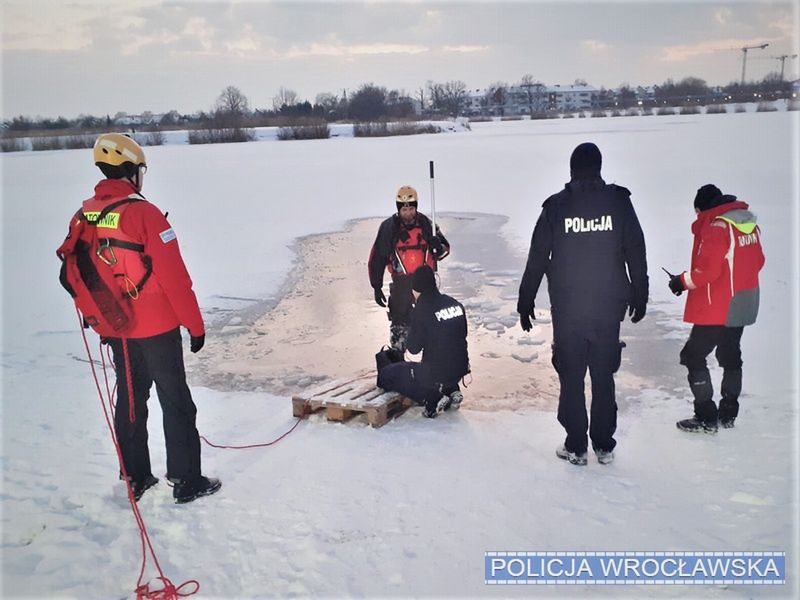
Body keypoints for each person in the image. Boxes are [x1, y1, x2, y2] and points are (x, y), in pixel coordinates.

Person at [57, 133, 220, 504]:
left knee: (131, 397)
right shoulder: (143, 213)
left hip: (117, 327)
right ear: (132, 170)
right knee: (175, 399)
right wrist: (194, 326)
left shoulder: (86, 214)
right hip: (157, 327)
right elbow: (175, 278)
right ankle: (185, 479)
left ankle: (134, 476)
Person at [517, 142, 648, 466]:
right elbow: (636, 251)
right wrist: (640, 292)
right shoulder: (618, 203)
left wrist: (526, 299)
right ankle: (603, 445)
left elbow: (537, 258)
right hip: (607, 309)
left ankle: (576, 446)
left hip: (570, 310)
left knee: (572, 377)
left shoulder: (557, 207)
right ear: (599, 168)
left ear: (572, 169)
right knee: (604, 376)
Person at [668, 184, 765, 433]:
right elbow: (759, 261)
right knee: (731, 355)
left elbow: (708, 272)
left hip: (718, 308)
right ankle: (728, 414)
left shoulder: (717, 227)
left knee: (693, 355)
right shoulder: (747, 223)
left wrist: (681, 281)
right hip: (743, 303)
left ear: (702, 208)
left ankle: (706, 417)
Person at [377, 266, 469, 418]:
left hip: (435, 372)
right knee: (445, 358)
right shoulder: (455, 304)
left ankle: (434, 398)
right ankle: (452, 389)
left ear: (416, 288)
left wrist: (409, 331)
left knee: (386, 376)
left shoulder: (422, 309)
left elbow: (413, 349)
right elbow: (460, 335)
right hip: (460, 367)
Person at [368, 185, 450, 352]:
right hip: (401, 283)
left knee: (430, 322)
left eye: (411, 208)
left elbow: (444, 249)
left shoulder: (427, 224)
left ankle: (432, 361)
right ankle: (399, 359)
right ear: (398, 209)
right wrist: (376, 286)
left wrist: (438, 246)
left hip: (426, 282)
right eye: (404, 209)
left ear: (416, 207)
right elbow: (377, 258)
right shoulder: (388, 228)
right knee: (399, 325)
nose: (407, 213)